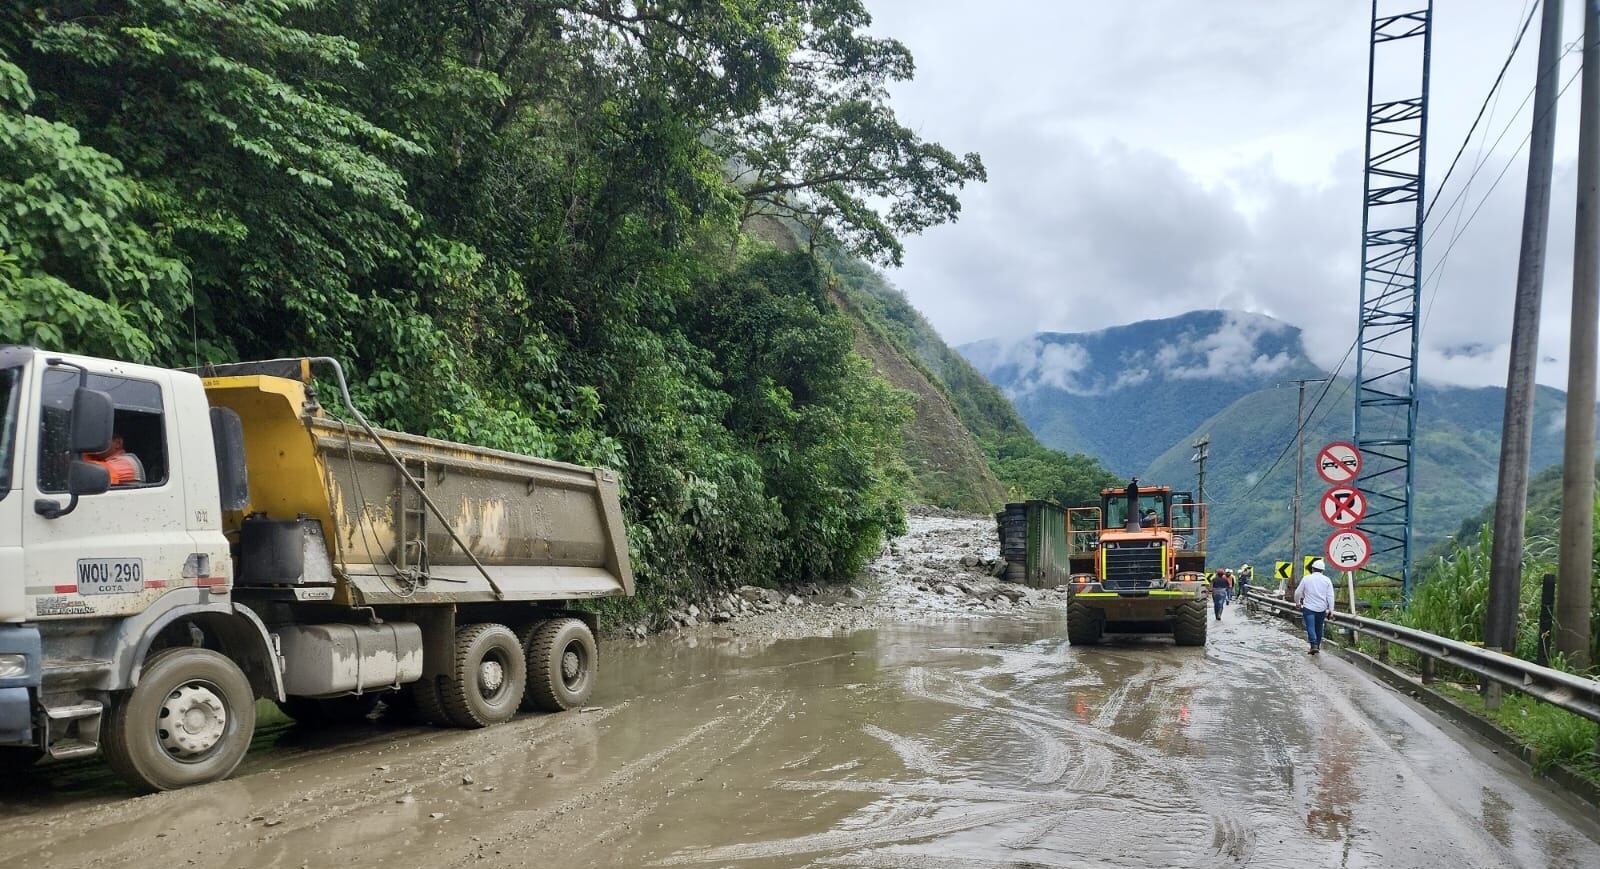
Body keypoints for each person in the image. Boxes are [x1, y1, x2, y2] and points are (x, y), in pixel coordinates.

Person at [1294, 557, 1336, 654]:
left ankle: (1313, 645)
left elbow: (1297, 593)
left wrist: (1298, 603)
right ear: (1323, 570)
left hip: (1309, 608)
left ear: (1312, 569)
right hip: (1321, 608)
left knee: (1310, 626)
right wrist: (1331, 610)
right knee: (1319, 627)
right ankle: (1317, 644)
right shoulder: (1327, 580)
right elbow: (1330, 596)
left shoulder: (1306, 579)